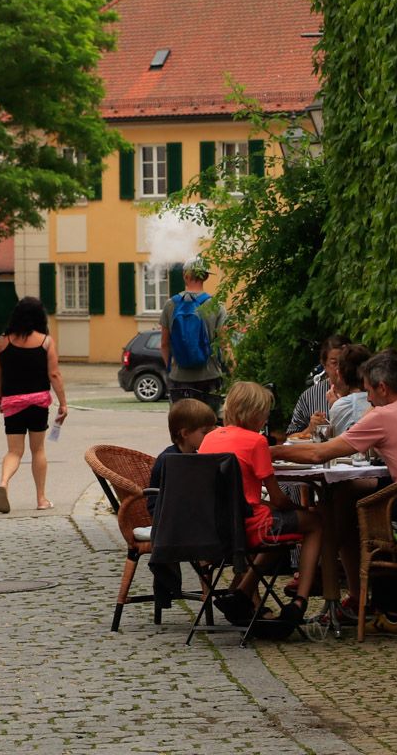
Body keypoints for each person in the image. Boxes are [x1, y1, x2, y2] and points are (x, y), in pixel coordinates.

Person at [273, 349, 397, 622]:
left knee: (344, 503)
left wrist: (271, 452)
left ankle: (343, 587)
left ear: (384, 388)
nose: (367, 399)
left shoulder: (382, 416)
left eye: (369, 392)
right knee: (352, 494)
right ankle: (366, 598)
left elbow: (320, 454)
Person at [199, 381, 320, 631]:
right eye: (264, 412)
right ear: (254, 413)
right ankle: (300, 601)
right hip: (249, 527)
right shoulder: (256, 442)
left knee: (279, 525)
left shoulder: (210, 439)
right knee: (315, 522)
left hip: (215, 527)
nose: (266, 418)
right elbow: (277, 499)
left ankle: (242, 593)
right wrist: (297, 508)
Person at [0, 296, 66, 514]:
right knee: (38, 450)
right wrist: (63, 403)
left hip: (12, 402)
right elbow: (54, 373)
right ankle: (41, 499)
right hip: (38, 402)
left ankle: (4, 482)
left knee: (14, 451)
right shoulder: (45, 342)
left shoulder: (2, 341)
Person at [147, 397, 218, 605]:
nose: (210, 436)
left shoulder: (198, 454)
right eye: (205, 432)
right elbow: (161, 501)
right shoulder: (170, 460)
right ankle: (208, 595)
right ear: (185, 434)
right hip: (166, 517)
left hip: (189, 513)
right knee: (205, 536)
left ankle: (226, 592)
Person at [160, 260, 224, 407]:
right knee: (209, 424)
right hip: (210, 376)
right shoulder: (216, 305)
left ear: (185, 276)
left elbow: (164, 344)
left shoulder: (170, 305)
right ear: (206, 277)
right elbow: (224, 344)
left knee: (181, 425)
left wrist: (170, 369)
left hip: (179, 378)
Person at [284, 335, 352, 439]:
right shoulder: (310, 396)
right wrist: (310, 430)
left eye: (345, 362)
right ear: (324, 365)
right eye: (334, 363)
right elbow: (290, 437)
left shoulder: (365, 392)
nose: (340, 368)